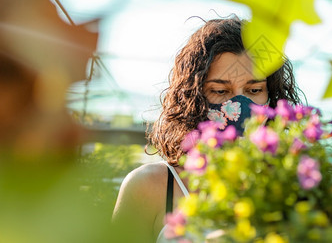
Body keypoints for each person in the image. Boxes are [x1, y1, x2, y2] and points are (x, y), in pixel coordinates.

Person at [112, 17, 302, 242]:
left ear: (271, 96)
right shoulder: (149, 186)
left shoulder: (291, 184)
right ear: (194, 98)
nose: (239, 105)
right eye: (220, 91)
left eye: (253, 90)